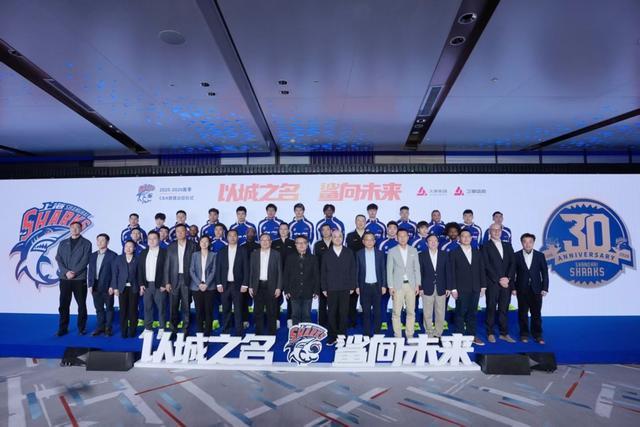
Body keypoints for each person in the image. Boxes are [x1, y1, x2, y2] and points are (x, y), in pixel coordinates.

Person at [448, 230, 486, 346]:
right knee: (460, 313)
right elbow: (451, 272)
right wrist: (453, 289)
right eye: (463, 236)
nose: (465, 238)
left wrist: (483, 286)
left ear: (471, 238)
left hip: (475, 287)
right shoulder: (454, 253)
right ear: (459, 238)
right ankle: (459, 336)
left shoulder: (477, 252)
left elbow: (482, 269)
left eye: (468, 236)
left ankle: (471, 336)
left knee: (473, 313)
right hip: (461, 289)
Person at [55, 221, 92, 336]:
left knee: (81, 304)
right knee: (63, 304)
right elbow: (58, 258)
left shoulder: (87, 243)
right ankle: (63, 328)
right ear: (70, 229)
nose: (75, 229)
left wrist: (74, 272)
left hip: (79, 279)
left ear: (81, 229)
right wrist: (66, 272)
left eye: (77, 227)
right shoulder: (63, 243)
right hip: (65, 278)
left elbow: (85, 260)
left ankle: (81, 328)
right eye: (73, 227)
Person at [321, 230, 356, 345]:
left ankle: (342, 336)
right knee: (331, 313)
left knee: (343, 313)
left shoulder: (349, 252)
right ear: (331, 238)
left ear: (343, 238)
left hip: (345, 288)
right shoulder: (326, 254)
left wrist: (352, 286)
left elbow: (353, 270)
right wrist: (324, 288)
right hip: (331, 288)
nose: (337, 238)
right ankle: (332, 336)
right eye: (335, 236)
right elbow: (323, 272)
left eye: (339, 236)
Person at [483, 223, 516, 343]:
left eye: (498, 230)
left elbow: (513, 263)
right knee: (491, 308)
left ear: (501, 231)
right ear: (489, 232)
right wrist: (499, 279)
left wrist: (508, 278)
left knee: (504, 308)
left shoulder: (508, 246)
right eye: (494, 230)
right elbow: (486, 265)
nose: (496, 232)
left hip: (506, 283)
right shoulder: (485, 246)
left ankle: (504, 333)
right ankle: (490, 333)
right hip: (492, 283)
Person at [514, 233, 549, 344]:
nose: (527, 244)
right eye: (525, 242)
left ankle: (537, 335)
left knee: (536, 313)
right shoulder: (516, 255)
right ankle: (524, 334)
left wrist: (545, 288)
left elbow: (544, 273)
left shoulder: (540, 255)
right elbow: (512, 273)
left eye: (530, 242)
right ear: (522, 243)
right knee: (522, 313)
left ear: (533, 243)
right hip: (521, 288)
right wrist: (513, 288)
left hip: (536, 289)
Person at [164, 224, 198, 336]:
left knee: (186, 305)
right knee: (173, 306)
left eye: (182, 231)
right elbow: (167, 265)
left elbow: (196, 264)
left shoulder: (193, 245)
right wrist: (167, 282)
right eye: (177, 231)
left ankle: (185, 329)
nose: (180, 233)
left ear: (186, 232)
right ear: (175, 233)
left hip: (187, 279)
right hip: (174, 279)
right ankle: (173, 329)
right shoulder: (171, 246)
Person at [386, 229, 421, 338]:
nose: (402, 238)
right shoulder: (392, 251)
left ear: (408, 237)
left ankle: (410, 335)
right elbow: (389, 270)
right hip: (397, 286)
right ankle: (398, 336)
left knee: (411, 312)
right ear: (396, 238)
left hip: (411, 285)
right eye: (400, 236)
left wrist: (417, 285)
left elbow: (417, 268)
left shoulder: (413, 250)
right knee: (396, 312)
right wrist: (390, 286)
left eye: (404, 236)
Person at [216, 229, 249, 336]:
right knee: (226, 309)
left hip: (238, 285)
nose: (232, 237)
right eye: (230, 236)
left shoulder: (243, 250)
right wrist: (218, 283)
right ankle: (226, 330)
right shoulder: (222, 251)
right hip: (225, 285)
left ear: (237, 237)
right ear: (227, 238)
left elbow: (246, 268)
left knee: (238, 309)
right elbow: (218, 268)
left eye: (234, 235)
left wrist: (245, 284)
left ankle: (239, 332)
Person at [249, 233, 282, 335]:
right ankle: (259, 334)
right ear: (259, 242)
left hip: (271, 286)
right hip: (257, 286)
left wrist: (278, 287)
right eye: (262, 240)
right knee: (258, 311)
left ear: (270, 242)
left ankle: (272, 334)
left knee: (271, 311)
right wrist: (250, 286)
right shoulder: (254, 254)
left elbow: (280, 272)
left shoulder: (276, 254)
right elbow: (251, 272)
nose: (264, 242)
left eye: (267, 240)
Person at [356, 232, 386, 337]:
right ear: (363, 242)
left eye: (371, 239)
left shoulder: (380, 253)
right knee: (366, 312)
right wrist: (357, 286)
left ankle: (377, 332)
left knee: (378, 312)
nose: (369, 242)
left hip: (377, 286)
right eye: (367, 240)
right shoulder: (359, 254)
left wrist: (384, 285)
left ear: (374, 241)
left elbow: (383, 270)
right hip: (364, 287)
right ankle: (367, 333)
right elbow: (357, 271)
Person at [283, 236, 319, 326]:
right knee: (295, 315)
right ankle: (296, 333)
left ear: (307, 245)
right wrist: (286, 290)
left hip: (308, 291)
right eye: (299, 243)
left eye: (304, 243)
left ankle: (306, 333)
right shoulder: (290, 258)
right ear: (295, 245)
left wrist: (316, 290)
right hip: (293, 291)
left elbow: (316, 276)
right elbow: (286, 275)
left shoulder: (313, 258)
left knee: (307, 315)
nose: (301, 245)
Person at [138, 231, 168, 337]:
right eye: (149, 238)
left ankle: (162, 329)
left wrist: (165, 284)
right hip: (147, 285)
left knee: (161, 308)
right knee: (147, 308)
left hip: (160, 285)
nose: (151, 241)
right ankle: (148, 329)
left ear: (159, 240)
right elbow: (140, 269)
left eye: (154, 238)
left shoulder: (164, 252)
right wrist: (141, 284)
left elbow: (167, 269)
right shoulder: (143, 252)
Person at [419, 234, 449, 338]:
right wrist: (420, 287)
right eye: (430, 241)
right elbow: (419, 273)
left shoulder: (444, 254)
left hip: (441, 287)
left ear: (438, 243)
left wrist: (448, 287)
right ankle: (429, 332)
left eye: (435, 241)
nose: (433, 242)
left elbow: (448, 272)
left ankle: (438, 333)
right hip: (426, 287)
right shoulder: (421, 255)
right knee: (427, 312)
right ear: (427, 243)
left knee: (440, 312)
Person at [87, 233, 117, 336]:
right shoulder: (92, 255)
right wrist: (90, 284)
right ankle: (100, 327)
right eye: (98, 240)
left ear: (107, 242)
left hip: (108, 286)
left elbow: (115, 273)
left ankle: (108, 328)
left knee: (109, 308)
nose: (100, 242)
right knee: (98, 308)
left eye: (102, 240)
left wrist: (112, 286)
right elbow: (90, 271)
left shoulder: (113, 255)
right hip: (95, 286)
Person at [110, 240, 140, 338]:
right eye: (126, 246)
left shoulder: (137, 259)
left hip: (134, 288)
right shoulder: (118, 258)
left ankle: (132, 331)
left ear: (134, 248)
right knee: (123, 310)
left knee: (133, 310)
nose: (128, 248)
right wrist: (115, 288)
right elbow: (115, 274)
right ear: (124, 248)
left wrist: (141, 286)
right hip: (122, 288)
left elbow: (140, 275)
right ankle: (124, 331)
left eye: (131, 246)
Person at [189, 236, 217, 337]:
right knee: (199, 310)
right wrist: (199, 284)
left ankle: (208, 332)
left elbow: (214, 271)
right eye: (202, 241)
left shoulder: (214, 255)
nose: (204, 243)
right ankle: (200, 331)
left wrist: (206, 284)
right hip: (196, 287)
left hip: (210, 287)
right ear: (199, 243)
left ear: (209, 243)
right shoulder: (194, 255)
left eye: (206, 241)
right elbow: (191, 270)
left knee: (209, 310)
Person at [271, 222, 296, 327]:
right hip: (277, 274)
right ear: (278, 230)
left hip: (290, 274)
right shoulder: (274, 243)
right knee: (276, 297)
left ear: (288, 231)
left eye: (285, 229)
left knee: (290, 297)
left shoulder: (293, 243)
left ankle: (290, 318)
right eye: (281, 229)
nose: (283, 231)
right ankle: (276, 319)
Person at [346, 214, 367, 327]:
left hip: (367, 271)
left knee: (366, 298)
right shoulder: (350, 236)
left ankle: (365, 321)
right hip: (353, 271)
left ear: (365, 222)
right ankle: (352, 321)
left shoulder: (369, 236)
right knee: (352, 298)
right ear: (355, 222)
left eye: (362, 220)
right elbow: (347, 253)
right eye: (358, 220)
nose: (360, 222)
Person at [313, 223, 333, 327]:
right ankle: (321, 323)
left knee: (334, 302)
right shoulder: (317, 245)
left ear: (331, 231)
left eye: (327, 229)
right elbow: (315, 262)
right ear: (321, 232)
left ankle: (333, 322)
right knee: (322, 302)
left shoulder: (336, 242)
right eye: (323, 230)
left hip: (335, 277)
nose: (325, 232)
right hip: (322, 277)